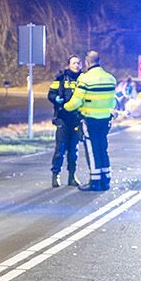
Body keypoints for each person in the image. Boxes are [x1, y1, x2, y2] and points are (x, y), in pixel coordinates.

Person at [66, 49, 119, 191]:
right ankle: (105, 180)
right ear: (99, 61)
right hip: (105, 120)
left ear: (88, 62)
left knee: (92, 150)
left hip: (90, 121)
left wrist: (65, 107)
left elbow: (75, 102)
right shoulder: (110, 78)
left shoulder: (85, 79)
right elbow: (113, 101)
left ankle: (95, 181)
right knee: (103, 148)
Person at [48, 54, 83, 187]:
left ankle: (72, 177)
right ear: (68, 64)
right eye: (74, 63)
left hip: (76, 119)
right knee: (60, 149)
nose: (76, 65)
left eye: (78, 63)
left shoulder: (83, 79)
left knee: (73, 150)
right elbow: (51, 94)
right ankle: (55, 175)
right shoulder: (61, 78)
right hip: (63, 118)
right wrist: (55, 98)